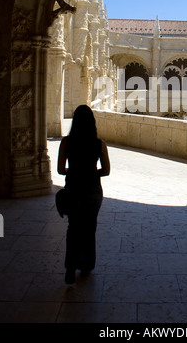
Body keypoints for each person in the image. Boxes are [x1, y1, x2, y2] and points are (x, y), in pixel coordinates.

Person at [57, 105, 110, 284]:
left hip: (73, 188)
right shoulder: (99, 144)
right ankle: (87, 265)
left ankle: (70, 267)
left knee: (73, 228)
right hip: (93, 191)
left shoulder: (66, 142)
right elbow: (106, 171)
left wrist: (73, 172)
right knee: (89, 228)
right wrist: (91, 172)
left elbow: (59, 170)